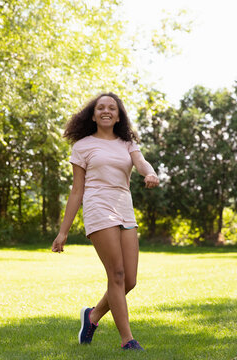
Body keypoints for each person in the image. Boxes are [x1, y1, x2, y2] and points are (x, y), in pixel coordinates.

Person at [51, 92, 159, 351]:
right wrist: (63, 232)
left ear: (119, 115)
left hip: (124, 208)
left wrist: (151, 173)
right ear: (93, 114)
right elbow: (77, 190)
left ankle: (92, 317)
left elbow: (140, 162)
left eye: (112, 107)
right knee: (117, 274)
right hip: (98, 208)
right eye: (101, 108)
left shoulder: (127, 142)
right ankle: (127, 340)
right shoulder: (83, 146)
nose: (106, 111)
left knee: (129, 280)